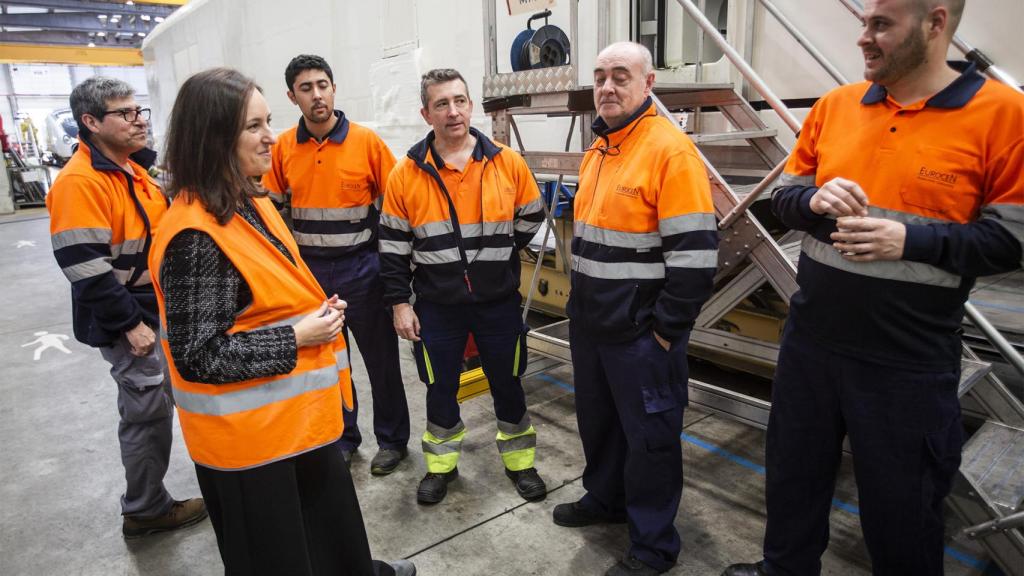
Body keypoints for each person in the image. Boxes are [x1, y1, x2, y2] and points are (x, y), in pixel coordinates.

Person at [722, 1, 1023, 574]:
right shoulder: (835, 107)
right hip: (811, 343)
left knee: (903, 510)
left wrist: (909, 240)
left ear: (936, 23)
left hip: (906, 361)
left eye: (881, 24)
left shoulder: (1004, 115)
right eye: (864, 22)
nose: (863, 37)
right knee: (792, 480)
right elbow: (782, 201)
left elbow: (1010, 242)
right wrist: (811, 200)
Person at [151, 67, 415, 576]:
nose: (270, 135)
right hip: (250, 443)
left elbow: (268, 290)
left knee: (324, 529)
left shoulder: (247, 200)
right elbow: (200, 355)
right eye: (253, 126)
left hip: (293, 426)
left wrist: (313, 313)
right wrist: (299, 335)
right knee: (280, 555)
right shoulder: (194, 237)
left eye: (268, 120)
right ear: (213, 136)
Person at [552, 42, 719, 576]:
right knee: (599, 425)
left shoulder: (670, 152)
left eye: (620, 76)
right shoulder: (599, 150)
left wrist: (665, 332)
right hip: (594, 326)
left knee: (650, 441)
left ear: (648, 84)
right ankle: (605, 500)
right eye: (599, 77)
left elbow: (695, 258)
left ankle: (652, 546)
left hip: (641, 337)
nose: (607, 87)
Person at [46, 76, 207, 540]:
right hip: (129, 316)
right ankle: (145, 508)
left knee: (171, 402)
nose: (139, 121)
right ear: (91, 122)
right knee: (146, 412)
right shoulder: (80, 182)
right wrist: (130, 325)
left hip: (155, 306)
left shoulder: (132, 169)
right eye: (126, 114)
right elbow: (83, 266)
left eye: (140, 112)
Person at [379, 68, 547, 505]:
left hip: (498, 304)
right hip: (436, 306)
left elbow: (530, 218)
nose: (453, 112)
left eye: (459, 101)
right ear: (426, 113)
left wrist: (495, 261)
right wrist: (400, 303)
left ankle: (519, 462)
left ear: (470, 106)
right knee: (439, 387)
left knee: (508, 382)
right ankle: (441, 467)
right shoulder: (406, 174)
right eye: (441, 104)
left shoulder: (507, 162)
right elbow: (393, 247)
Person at [262, 55, 410, 474]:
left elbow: (397, 212)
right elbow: (269, 213)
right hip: (310, 278)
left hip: (363, 270)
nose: (317, 95)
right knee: (329, 363)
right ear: (292, 97)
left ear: (334, 88)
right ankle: (343, 438)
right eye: (306, 88)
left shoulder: (367, 144)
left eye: (322, 84)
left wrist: (397, 276)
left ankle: (393, 441)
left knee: (381, 362)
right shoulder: (283, 148)